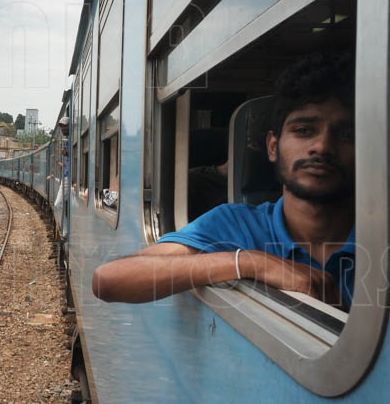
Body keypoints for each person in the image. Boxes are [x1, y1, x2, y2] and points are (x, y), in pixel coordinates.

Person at [92, 51, 355, 308]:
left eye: (346, 135)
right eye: (304, 130)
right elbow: (109, 280)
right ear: (273, 146)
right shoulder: (238, 225)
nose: (322, 146)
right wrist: (251, 262)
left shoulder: (389, 237)